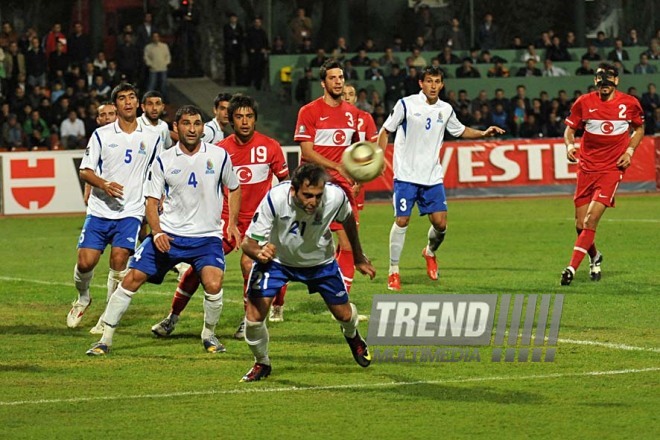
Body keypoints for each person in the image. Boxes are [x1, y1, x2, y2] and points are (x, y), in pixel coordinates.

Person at [86, 104, 241, 355]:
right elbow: (151, 200)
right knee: (131, 279)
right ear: (176, 128)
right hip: (169, 235)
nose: (192, 129)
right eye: (187, 124)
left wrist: (231, 222)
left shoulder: (219, 155)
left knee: (214, 284)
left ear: (203, 127)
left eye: (197, 123)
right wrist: (157, 232)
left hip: (206, 237)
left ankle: (209, 335)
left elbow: (234, 187)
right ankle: (105, 338)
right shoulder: (164, 159)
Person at [151, 94, 288, 339]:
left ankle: (249, 320)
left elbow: (285, 183)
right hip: (223, 221)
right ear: (230, 120)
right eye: (239, 117)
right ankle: (173, 317)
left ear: (255, 119)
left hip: (259, 222)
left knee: (250, 264)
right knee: (197, 268)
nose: (245, 122)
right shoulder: (220, 151)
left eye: (249, 116)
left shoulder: (271, 146)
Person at [239, 163, 376, 382]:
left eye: (317, 196)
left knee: (344, 315)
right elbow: (248, 243)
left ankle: (352, 335)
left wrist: (358, 256)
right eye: (307, 195)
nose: (313, 202)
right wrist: (259, 252)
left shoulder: (335, 197)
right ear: (293, 190)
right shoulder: (275, 199)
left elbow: (348, 219)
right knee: (254, 318)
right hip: (278, 261)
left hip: (320, 262)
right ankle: (261, 362)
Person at [377, 66, 505, 291]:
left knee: (441, 224)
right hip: (406, 175)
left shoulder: (445, 109)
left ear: (442, 84)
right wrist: (379, 157)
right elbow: (385, 130)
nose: (433, 85)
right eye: (429, 81)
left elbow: (460, 130)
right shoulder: (406, 104)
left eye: (437, 81)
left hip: (432, 176)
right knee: (402, 221)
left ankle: (429, 252)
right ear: (421, 84)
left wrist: (483, 133)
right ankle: (393, 270)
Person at [68, 83, 161, 333]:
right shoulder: (102, 135)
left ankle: (106, 318)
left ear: (138, 103)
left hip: (130, 212)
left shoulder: (152, 138)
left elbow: (156, 172)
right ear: (115, 105)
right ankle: (83, 298)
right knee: (86, 263)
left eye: (132, 97)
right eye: (122, 98)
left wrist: (158, 198)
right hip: (100, 210)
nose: (128, 102)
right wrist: (104, 184)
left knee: (119, 260)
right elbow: (85, 170)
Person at [560, 63, 644, 285]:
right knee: (580, 225)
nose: (604, 85)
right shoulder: (584, 102)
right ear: (596, 81)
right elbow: (570, 129)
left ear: (616, 81)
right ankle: (595, 256)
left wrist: (630, 150)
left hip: (612, 169)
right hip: (586, 168)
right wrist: (569, 146)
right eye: (600, 81)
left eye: (609, 81)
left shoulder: (630, 103)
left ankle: (571, 268)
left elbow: (639, 128)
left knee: (590, 219)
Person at [294, 59, 362, 293]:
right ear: (323, 83)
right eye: (332, 78)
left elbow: (355, 151)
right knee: (293, 246)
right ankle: (277, 299)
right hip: (314, 184)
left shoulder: (353, 114)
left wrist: (360, 173)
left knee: (348, 244)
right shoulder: (309, 111)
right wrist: (337, 167)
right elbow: (306, 151)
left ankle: (340, 298)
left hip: (340, 186)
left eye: (341, 77)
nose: (338, 82)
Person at [83, 102, 117, 207]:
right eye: (103, 115)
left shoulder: (129, 136)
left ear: (117, 117)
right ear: (98, 120)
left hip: (128, 194)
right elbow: (89, 167)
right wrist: (88, 187)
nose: (107, 118)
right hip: (101, 195)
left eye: (111, 114)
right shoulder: (96, 138)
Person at [143, 33, 171, 102]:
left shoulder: (164, 46)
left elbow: (168, 55)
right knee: (151, 85)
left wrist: (166, 63)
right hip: (153, 68)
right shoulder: (148, 47)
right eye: (154, 37)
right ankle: (147, 99)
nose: (156, 38)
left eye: (157, 37)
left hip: (163, 68)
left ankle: (164, 99)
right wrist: (150, 64)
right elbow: (146, 57)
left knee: (163, 85)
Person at [223, 13, 243, 86]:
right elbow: (227, 36)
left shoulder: (239, 27)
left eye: (234, 18)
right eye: (232, 18)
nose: (233, 19)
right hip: (229, 48)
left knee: (238, 65)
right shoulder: (226, 27)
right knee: (228, 65)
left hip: (237, 48)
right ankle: (228, 82)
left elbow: (241, 36)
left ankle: (239, 81)